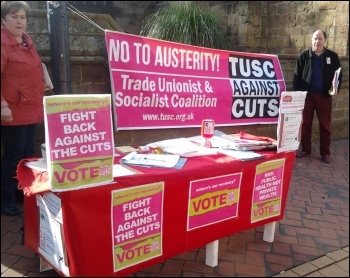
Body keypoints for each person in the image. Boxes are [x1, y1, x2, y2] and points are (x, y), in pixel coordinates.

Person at [1, 1, 46, 216]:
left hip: (31, 107)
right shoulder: (3, 43)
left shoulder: (27, 41)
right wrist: (2, 105)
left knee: (27, 155)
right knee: (13, 156)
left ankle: (20, 194)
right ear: (3, 19)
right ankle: (5, 200)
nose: (19, 21)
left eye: (23, 17)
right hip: (13, 110)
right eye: (14, 16)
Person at [293, 29, 342, 163]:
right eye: (315, 38)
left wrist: (335, 88)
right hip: (307, 96)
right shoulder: (304, 56)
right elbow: (296, 77)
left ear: (325, 40)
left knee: (325, 125)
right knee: (306, 124)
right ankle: (305, 150)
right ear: (311, 40)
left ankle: (325, 153)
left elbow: (338, 74)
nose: (317, 41)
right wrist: (297, 95)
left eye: (320, 39)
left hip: (324, 96)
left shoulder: (332, 56)